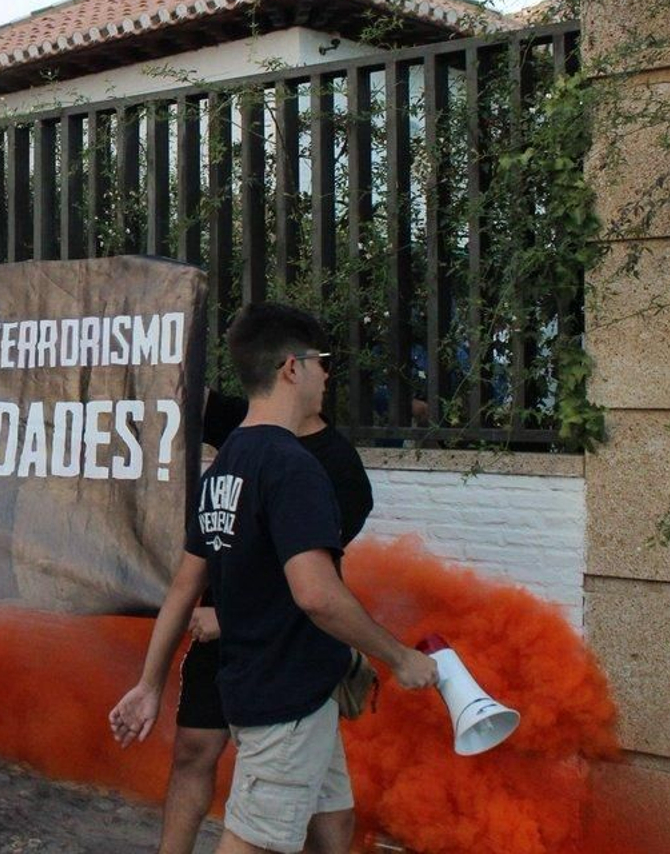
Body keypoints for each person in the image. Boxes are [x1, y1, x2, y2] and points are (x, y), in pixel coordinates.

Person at [109, 303, 437, 854]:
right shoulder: (293, 467)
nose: (327, 375)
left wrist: (148, 685)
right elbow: (316, 594)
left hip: (288, 689)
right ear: (292, 367)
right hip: (283, 697)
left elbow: (184, 587)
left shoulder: (228, 461)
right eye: (321, 363)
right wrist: (399, 656)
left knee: (333, 820)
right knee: (253, 842)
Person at [140, 382, 374, 854]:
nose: (324, 378)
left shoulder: (338, 470)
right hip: (224, 641)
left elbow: (314, 584)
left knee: (317, 816)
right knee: (195, 750)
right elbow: (178, 389)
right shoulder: (248, 432)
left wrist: (226, 618)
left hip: (286, 653)